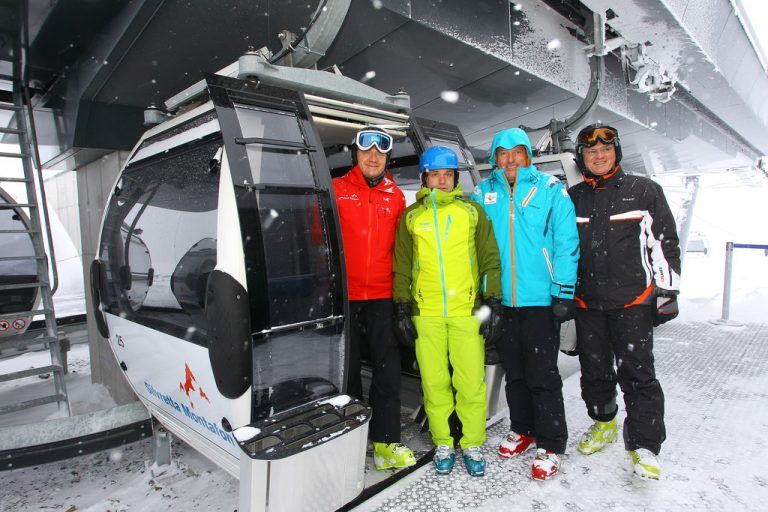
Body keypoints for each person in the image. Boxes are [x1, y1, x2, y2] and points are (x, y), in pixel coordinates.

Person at [568, 123, 681, 480]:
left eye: (605, 149)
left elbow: (663, 241)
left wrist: (667, 290)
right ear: (582, 158)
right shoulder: (573, 196)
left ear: (616, 152)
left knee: (638, 373)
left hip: (632, 300)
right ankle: (604, 422)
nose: (599, 155)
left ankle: (645, 445)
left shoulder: (642, 190)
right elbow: (562, 247)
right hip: (587, 301)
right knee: (594, 370)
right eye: (591, 151)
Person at [471, 128, 579, 481]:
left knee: (542, 374)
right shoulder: (482, 194)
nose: (510, 159)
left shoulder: (550, 189)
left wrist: (563, 291)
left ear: (528, 156)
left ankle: (551, 443)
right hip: (501, 300)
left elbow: (566, 241)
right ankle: (523, 428)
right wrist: (482, 294)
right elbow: (473, 247)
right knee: (514, 372)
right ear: (494, 158)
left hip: (539, 299)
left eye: (517, 152)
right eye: (503, 153)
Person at [392, 146, 502, 477]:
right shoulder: (412, 217)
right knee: (434, 382)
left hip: (466, 311)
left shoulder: (472, 212)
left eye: (448, 175)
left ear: (456, 178)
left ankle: (472, 443)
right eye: (435, 175)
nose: (442, 181)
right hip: (426, 313)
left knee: (470, 383)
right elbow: (402, 266)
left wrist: (493, 301)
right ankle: (443, 442)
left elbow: (489, 259)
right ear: (424, 178)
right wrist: (401, 307)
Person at [332, 127, 416, 471]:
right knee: (346, 372)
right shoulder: (337, 190)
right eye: (367, 151)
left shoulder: (395, 197)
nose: (373, 158)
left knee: (387, 371)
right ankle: (350, 442)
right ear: (356, 154)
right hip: (346, 296)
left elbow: (403, 249)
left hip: (383, 295)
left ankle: (385, 443)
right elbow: (319, 238)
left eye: (380, 154)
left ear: (387, 159)